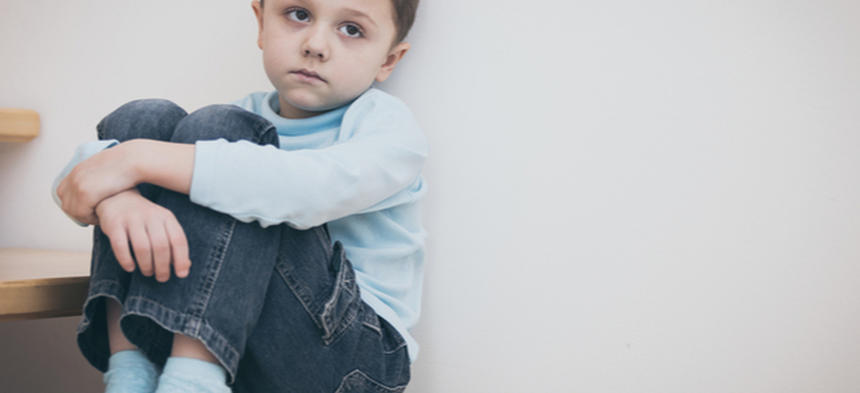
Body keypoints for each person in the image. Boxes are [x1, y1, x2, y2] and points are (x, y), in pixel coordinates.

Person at [51, 0, 426, 391]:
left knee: (220, 143)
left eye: (351, 29)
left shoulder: (388, 129)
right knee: (145, 119)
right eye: (299, 14)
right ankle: (132, 374)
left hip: (352, 360)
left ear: (388, 60)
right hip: (242, 341)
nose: (315, 45)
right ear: (261, 24)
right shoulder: (237, 119)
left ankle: (192, 382)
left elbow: (304, 189)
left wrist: (134, 161)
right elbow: (72, 186)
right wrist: (118, 199)